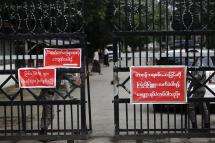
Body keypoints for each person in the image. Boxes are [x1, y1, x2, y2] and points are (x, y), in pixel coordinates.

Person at [187, 57, 209, 129]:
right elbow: (193, 81)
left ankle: (194, 126)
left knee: (191, 106)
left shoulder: (200, 65)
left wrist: (189, 77)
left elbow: (199, 76)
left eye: (192, 56)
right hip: (197, 89)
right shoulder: (194, 65)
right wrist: (189, 88)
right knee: (202, 107)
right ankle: (206, 125)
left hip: (199, 89)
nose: (191, 58)